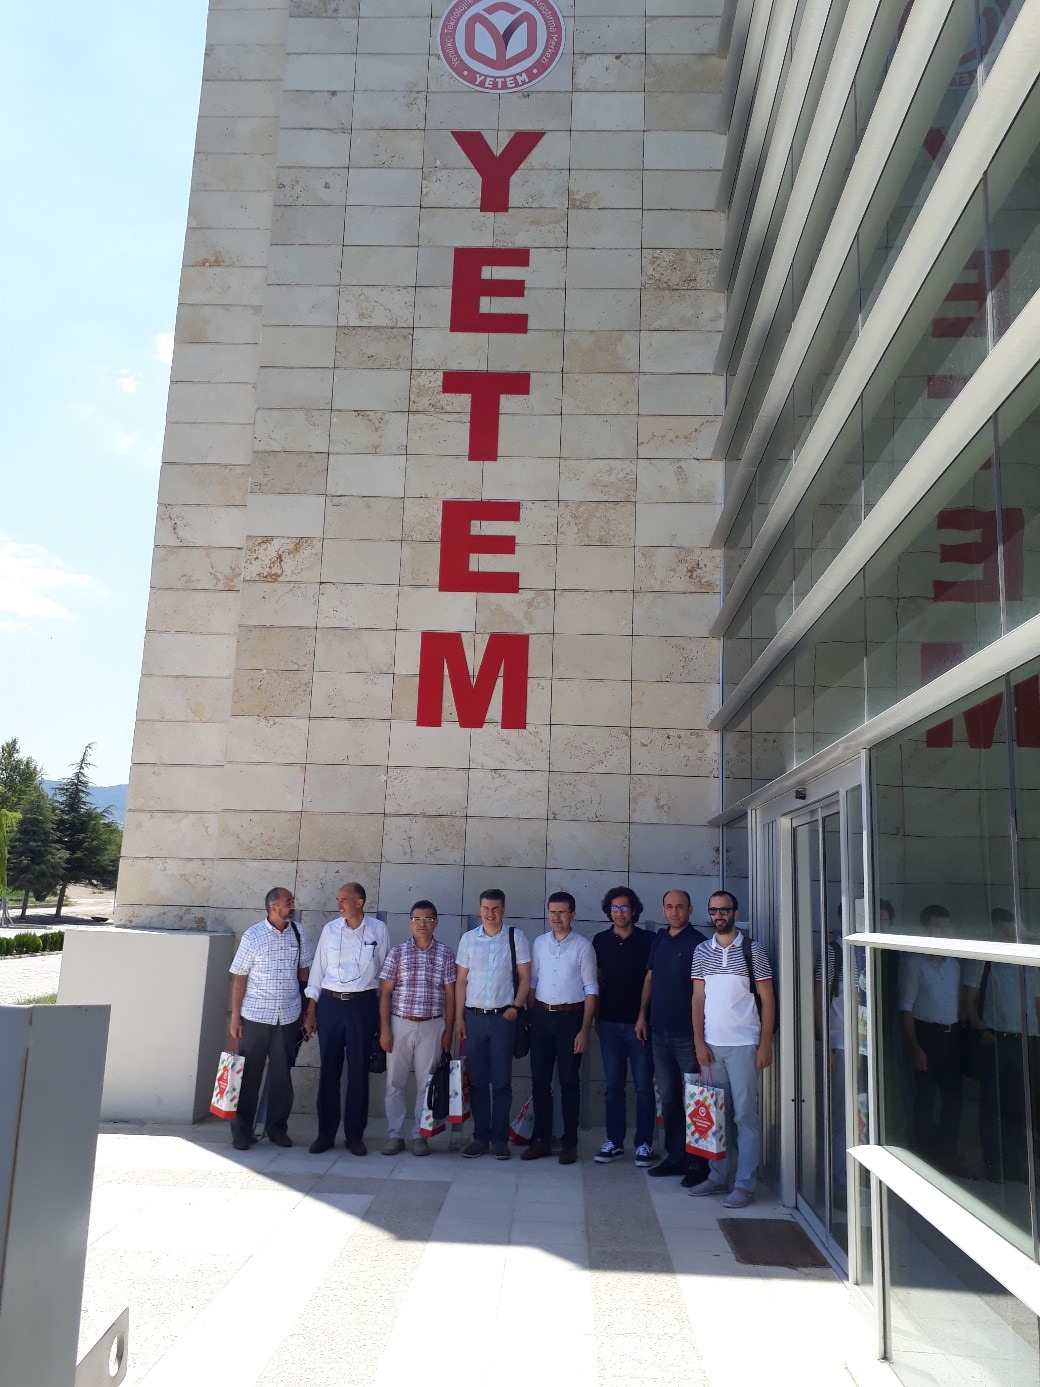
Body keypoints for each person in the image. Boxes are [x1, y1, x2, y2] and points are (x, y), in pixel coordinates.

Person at [688, 890, 775, 1209]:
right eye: (713, 911)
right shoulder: (701, 951)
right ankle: (717, 1176)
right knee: (714, 1115)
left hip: (744, 1046)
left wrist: (765, 1044)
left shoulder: (754, 950)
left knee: (745, 1116)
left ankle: (744, 1184)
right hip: (711, 1046)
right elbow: (698, 999)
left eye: (724, 910)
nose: (718, 916)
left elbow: (768, 999)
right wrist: (699, 1042)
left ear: (735, 913)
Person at [305, 882, 389, 1156]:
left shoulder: (378, 929)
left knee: (358, 1072)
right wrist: (312, 1009)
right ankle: (325, 1134)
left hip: (362, 1005)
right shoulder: (330, 930)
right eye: (338, 899)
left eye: (344, 899)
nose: (339, 904)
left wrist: (382, 1017)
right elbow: (318, 971)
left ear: (359, 902)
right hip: (330, 1004)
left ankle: (355, 1136)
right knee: (329, 1070)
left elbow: (385, 974)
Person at [227, 887, 313, 1151]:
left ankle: (277, 1130)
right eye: (288, 902)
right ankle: (242, 1133)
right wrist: (235, 1017)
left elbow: (305, 972)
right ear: (273, 907)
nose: (292, 906)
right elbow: (239, 979)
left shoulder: (299, 933)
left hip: (287, 1017)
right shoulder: (253, 935)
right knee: (248, 1076)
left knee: (281, 1078)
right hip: (255, 1016)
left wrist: (307, 1011)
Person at [636, 888, 709, 1187]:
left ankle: (699, 1164)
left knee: (695, 1100)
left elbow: (703, 993)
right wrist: (642, 1015)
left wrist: (700, 1036)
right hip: (659, 1033)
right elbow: (650, 979)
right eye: (669, 906)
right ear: (663, 910)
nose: (674, 911)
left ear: (690, 910)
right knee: (668, 1099)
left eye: (680, 906)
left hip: (687, 1037)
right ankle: (675, 1157)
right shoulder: (660, 939)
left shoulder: (700, 944)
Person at [962, 909, 1040, 1184]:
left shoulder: (1028, 963)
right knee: (992, 1106)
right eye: (1003, 929)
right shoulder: (984, 961)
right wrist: (980, 1030)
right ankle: (994, 1167)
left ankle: (1016, 1166)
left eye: (1011, 929)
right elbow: (968, 1000)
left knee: (1018, 1108)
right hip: (996, 1041)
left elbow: (1037, 1004)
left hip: (1025, 1042)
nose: (1008, 934)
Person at [521, 892, 598, 1166]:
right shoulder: (540, 943)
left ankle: (569, 1143)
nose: (556, 917)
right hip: (542, 1017)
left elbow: (591, 989)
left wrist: (584, 1030)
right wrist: (531, 1016)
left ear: (572, 915)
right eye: (552, 912)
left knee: (568, 1082)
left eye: (562, 912)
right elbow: (533, 982)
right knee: (540, 1081)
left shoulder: (583, 947)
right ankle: (542, 1139)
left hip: (570, 1019)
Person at [455, 888, 531, 1159]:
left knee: (501, 1082)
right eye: (486, 908)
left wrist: (516, 1006)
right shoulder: (468, 939)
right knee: (477, 1081)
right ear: (480, 910)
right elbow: (461, 980)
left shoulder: (515, 937)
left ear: (503, 909)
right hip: (474, 1018)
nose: (490, 914)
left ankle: (500, 1140)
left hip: (503, 1020)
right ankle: (480, 1138)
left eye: (496, 908)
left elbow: (525, 977)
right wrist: (459, 1018)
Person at [378, 899, 456, 1157]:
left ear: (436, 922)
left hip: (432, 1025)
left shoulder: (445, 954)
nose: (422, 924)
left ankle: (420, 1136)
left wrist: (448, 1030)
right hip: (400, 1023)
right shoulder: (397, 953)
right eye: (417, 919)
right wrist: (385, 1029)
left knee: (427, 1084)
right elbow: (385, 993)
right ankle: (395, 1135)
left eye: (428, 919)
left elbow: (450, 994)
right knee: (395, 1082)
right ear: (410, 922)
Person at [897, 904, 969, 1176]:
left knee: (953, 1099)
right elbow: (906, 1007)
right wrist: (915, 1046)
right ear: (925, 929)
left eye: (946, 929)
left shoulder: (953, 964)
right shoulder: (914, 964)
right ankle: (924, 1160)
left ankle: (948, 1156)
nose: (943, 934)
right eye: (938, 928)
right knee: (926, 1101)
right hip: (926, 1034)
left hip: (952, 1036)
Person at [592, 886, 656, 1166]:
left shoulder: (649, 940)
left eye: (624, 908)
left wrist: (642, 1016)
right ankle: (614, 1142)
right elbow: (597, 980)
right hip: (609, 1024)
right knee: (613, 1086)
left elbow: (650, 982)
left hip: (639, 1026)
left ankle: (643, 1144)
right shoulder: (600, 940)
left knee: (643, 1087)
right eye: (614, 908)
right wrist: (595, 1018)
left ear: (634, 911)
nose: (619, 913)